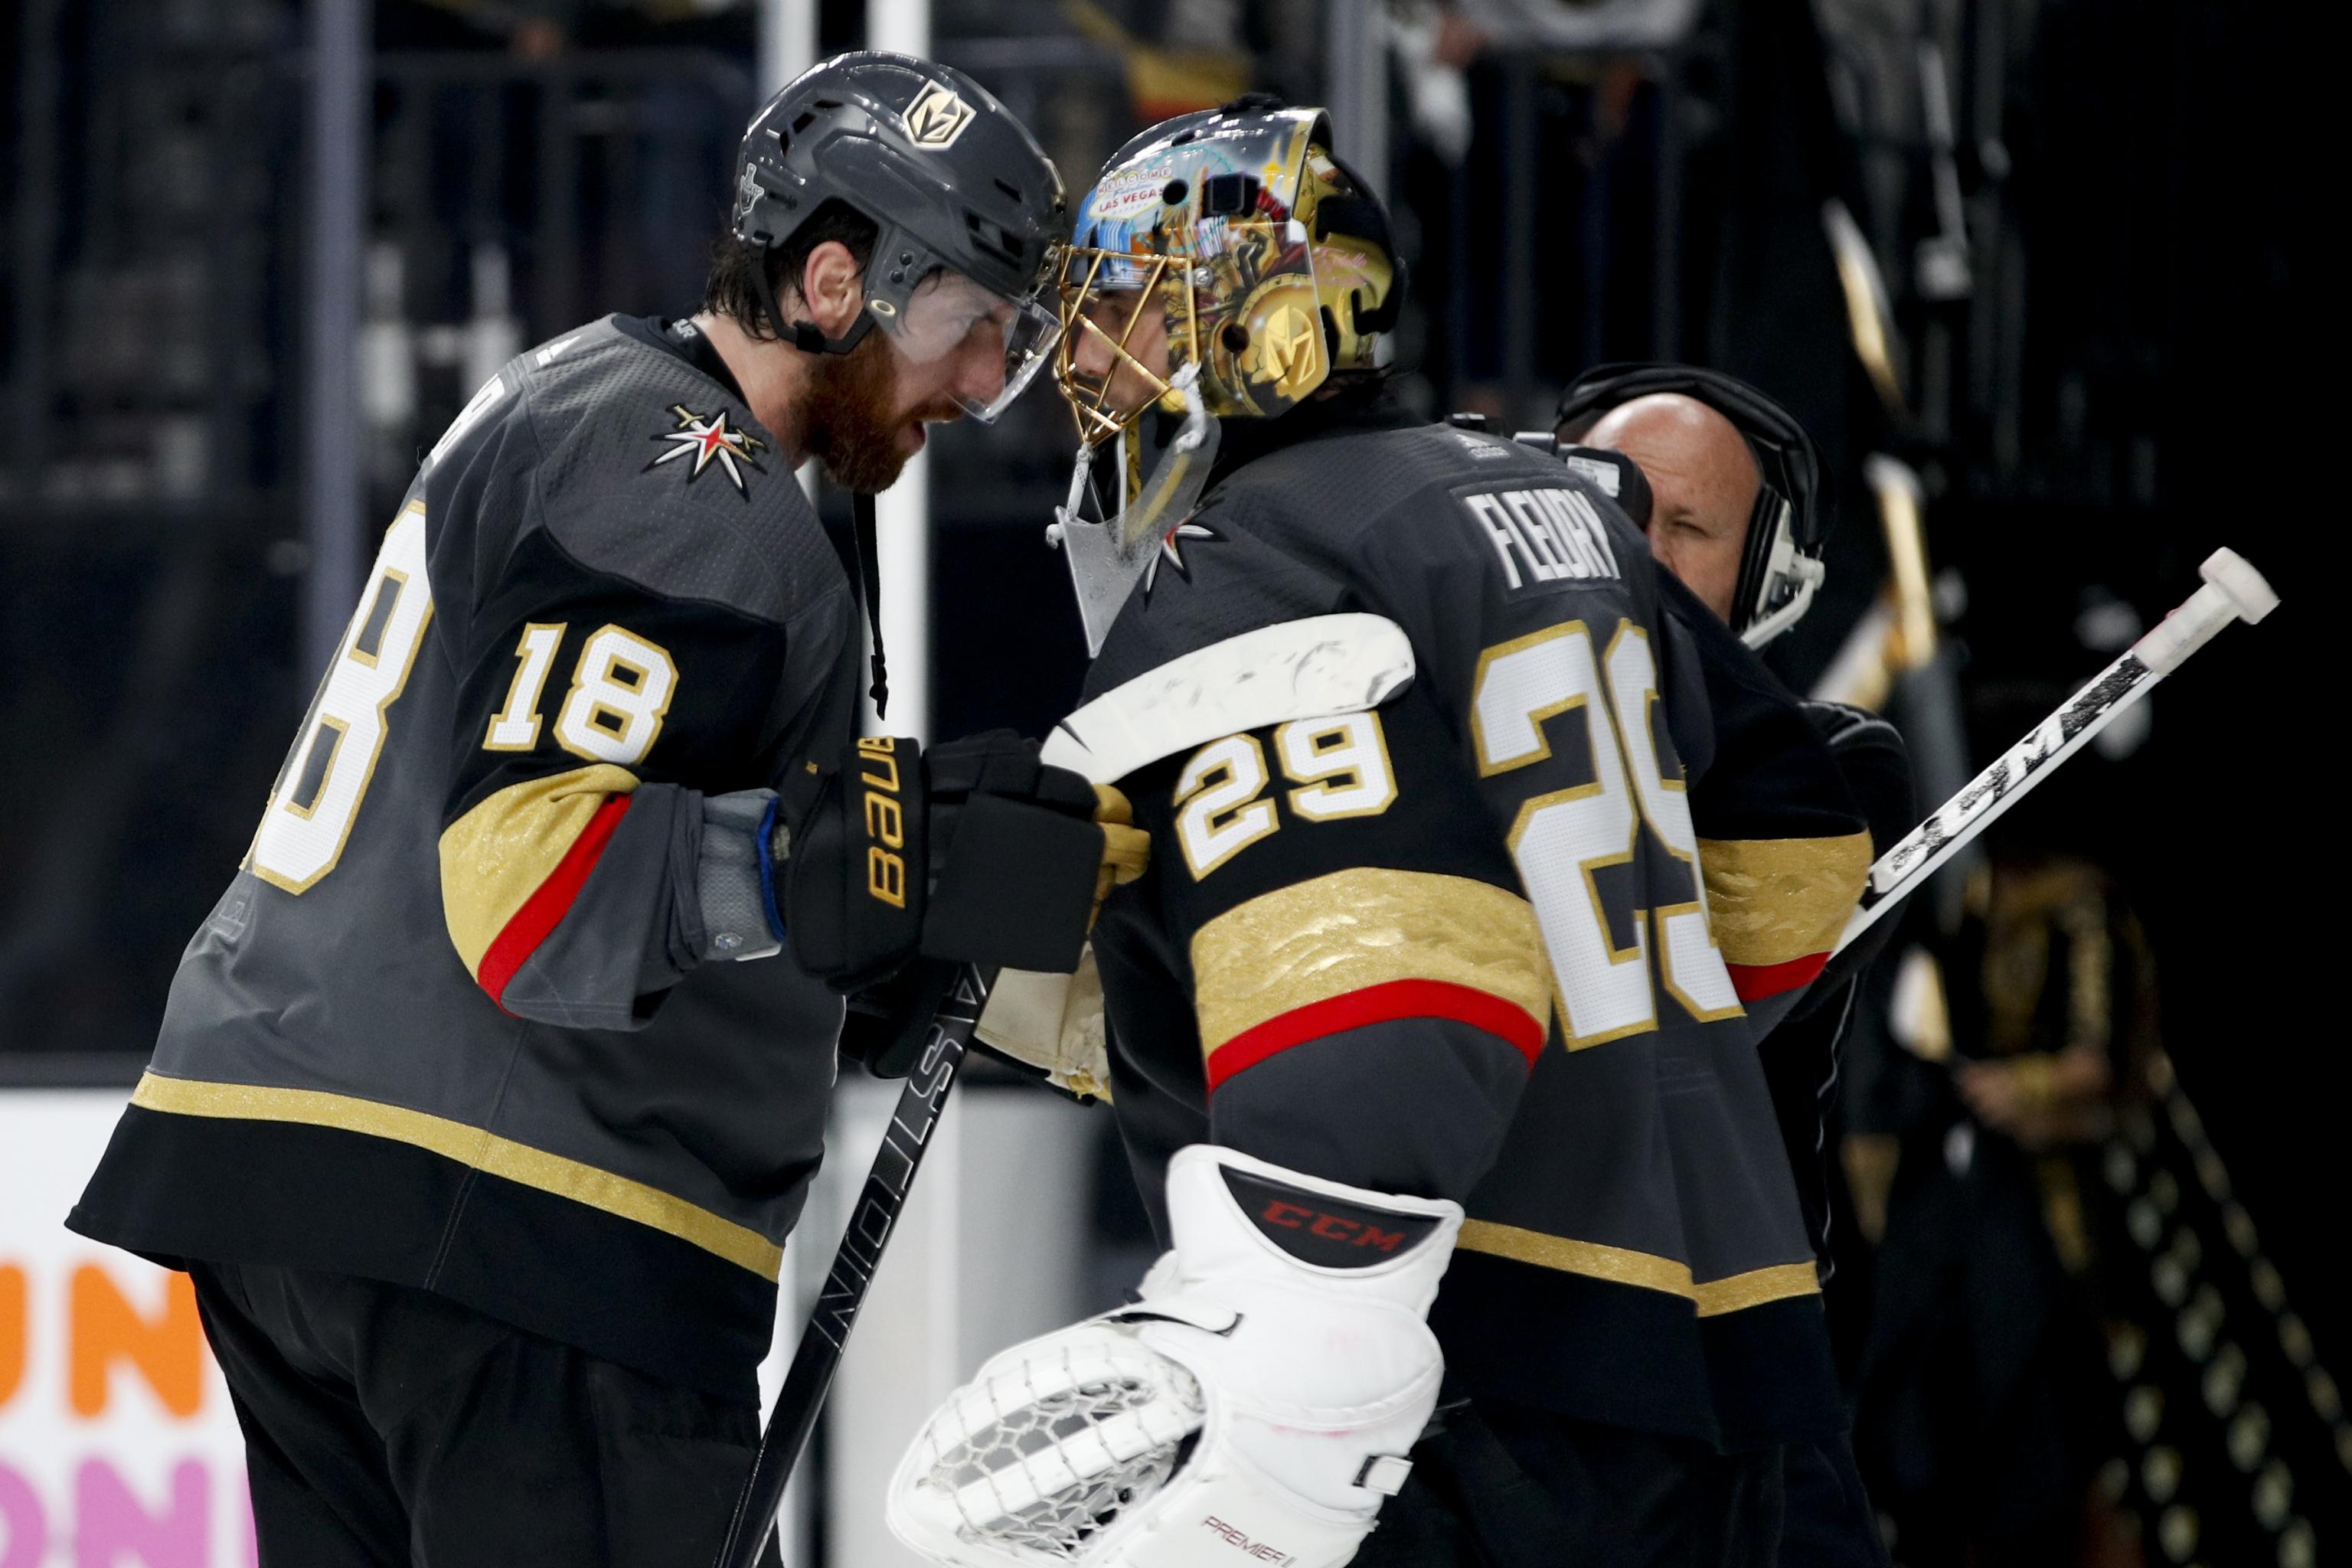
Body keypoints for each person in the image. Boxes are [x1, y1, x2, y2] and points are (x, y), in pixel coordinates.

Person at [66, 54, 1132, 1568]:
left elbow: (722, 883)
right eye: (967, 328)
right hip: (516, 1224)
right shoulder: (694, 471)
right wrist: (850, 858)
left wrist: (988, 946)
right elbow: (539, 892)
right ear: (835, 278)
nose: (978, 385)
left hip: (309, 1172)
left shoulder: (580, 391)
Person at [887, 99, 1875, 1567]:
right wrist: (1609, 1011)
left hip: (1479, 1349)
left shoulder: (1255, 560)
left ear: (1268, 331)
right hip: (1746, 1337)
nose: (1091, 368)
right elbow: (1799, 864)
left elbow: (1378, 999)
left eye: (1136, 315)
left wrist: (1297, 1325)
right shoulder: (1561, 506)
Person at [1559, 364, 1918, 1566]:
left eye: (1686, 530)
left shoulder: (1833, 771)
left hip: (1736, 1385)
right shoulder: (1457, 749)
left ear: (1767, 581)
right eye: (1606, 515)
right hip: (1511, 1380)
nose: (1638, 556)